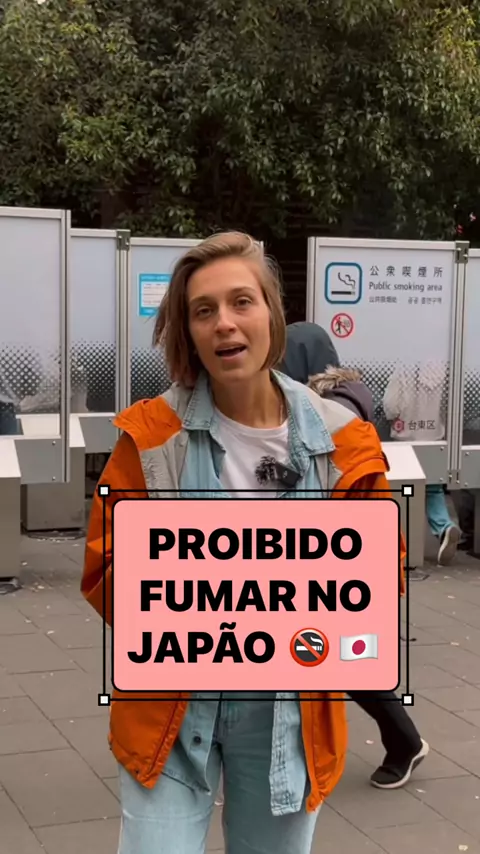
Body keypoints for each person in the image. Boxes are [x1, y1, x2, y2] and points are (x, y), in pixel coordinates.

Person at [81, 232, 406, 854]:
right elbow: (106, 568)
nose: (224, 323)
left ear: (271, 313)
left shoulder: (344, 442)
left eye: (241, 302)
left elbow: (375, 576)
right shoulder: (151, 436)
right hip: (171, 701)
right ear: (188, 331)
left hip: (290, 708)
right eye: (203, 310)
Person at [278, 322, 429, 790]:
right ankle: (400, 743)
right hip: (339, 552)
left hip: (340, 555)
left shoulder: (329, 409)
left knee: (333, 656)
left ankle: (404, 743)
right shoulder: (337, 399)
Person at [382, 361, 461, 565]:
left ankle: (401, 540)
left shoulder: (404, 365)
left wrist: (392, 418)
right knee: (433, 488)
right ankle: (444, 527)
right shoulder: (443, 367)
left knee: (404, 488)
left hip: (405, 438)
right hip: (434, 437)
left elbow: (391, 405)